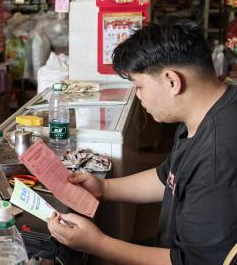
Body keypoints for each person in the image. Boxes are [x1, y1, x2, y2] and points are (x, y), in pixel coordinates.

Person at [47, 21, 237, 264]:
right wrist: (104, 188)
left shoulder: (216, 156)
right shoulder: (209, 111)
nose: (138, 96)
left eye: (139, 86)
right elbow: (167, 177)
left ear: (172, 81)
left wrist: (97, 244)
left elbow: (192, 261)